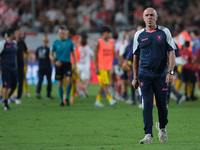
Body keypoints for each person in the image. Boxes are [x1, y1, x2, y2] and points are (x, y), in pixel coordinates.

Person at [132, 8, 176, 144]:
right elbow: (135, 56)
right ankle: (148, 135)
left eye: (152, 15)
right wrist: (135, 77)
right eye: (147, 15)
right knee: (147, 105)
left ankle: (162, 127)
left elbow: (171, 52)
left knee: (162, 106)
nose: (149, 17)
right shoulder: (138, 35)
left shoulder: (164, 32)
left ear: (157, 17)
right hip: (144, 75)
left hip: (161, 75)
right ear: (143, 18)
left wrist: (170, 72)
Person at [94, 25, 124, 107]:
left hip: (108, 67)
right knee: (106, 84)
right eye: (108, 33)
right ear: (104, 33)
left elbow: (115, 54)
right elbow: (94, 55)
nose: (110, 34)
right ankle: (110, 99)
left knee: (103, 85)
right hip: (101, 67)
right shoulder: (99, 43)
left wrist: (123, 60)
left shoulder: (110, 43)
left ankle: (97, 101)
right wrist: (95, 67)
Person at [49, 26, 76, 106]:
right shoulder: (55, 43)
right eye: (60, 33)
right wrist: (55, 61)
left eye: (63, 33)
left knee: (69, 80)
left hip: (67, 63)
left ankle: (67, 98)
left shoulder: (70, 42)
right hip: (59, 64)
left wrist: (75, 65)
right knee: (60, 82)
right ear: (58, 33)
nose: (62, 34)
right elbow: (50, 55)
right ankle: (61, 101)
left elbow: (74, 54)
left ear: (66, 33)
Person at [0, 28, 18, 110]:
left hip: (14, 68)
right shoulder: (3, 43)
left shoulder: (14, 43)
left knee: (14, 86)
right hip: (5, 68)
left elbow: (15, 56)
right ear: (11, 34)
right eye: (15, 34)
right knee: (5, 86)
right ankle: (5, 104)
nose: (16, 35)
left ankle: (5, 99)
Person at [77, 33, 93, 98]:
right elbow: (93, 56)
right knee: (86, 79)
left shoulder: (78, 48)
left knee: (81, 80)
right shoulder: (88, 48)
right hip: (85, 67)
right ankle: (81, 91)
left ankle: (81, 91)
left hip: (78, 65)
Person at [35, 35, 52, 99]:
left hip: (40, 66)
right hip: (47, 67)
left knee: (40, 80)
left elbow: (36, 58)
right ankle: (48, 95)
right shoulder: (48, 49)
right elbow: (50, 58)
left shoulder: (38, 48)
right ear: (48, 41)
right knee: (49, 81)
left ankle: (38, 92)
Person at [15, 29, 28, 104]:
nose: (23, 35)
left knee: (20, 81)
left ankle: (18, 97)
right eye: (21, 34)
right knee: (12, 82)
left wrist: (26, 63)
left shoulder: (22, 43)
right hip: (12, 66)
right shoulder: (13, 43)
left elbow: (26, 52)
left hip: (20, 66)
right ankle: (8, 96)